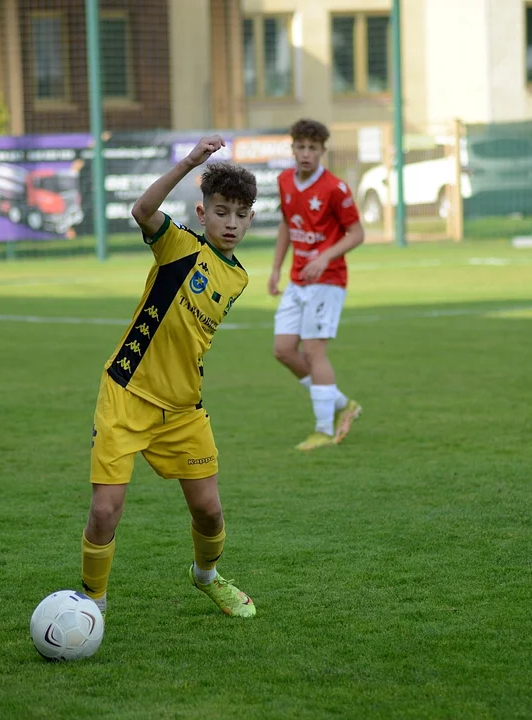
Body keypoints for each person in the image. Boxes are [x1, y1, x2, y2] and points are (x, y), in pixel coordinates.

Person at [80, 135, 257, 619]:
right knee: (104, 511)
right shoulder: (177, 245)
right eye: (221, 212)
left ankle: (207, 577)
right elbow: (142, 209)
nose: (231, 223)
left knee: (209, 511)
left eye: (241, 215)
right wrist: (189, 163)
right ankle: (92, 604)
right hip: (127, 392)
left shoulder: (239, 279)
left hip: (183, 408)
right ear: (203, 214)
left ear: (251, 220)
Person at [269, 118, 365, 451]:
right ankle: (342, 404)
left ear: (323, 151)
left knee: (312, 351)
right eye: (301, 147)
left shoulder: (335, 189)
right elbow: (286, 225)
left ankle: (324, 430)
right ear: (292, 148)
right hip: (298, 279)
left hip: (328, 279)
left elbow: (358, 234)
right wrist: (275, 269)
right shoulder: (284, 180)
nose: (306, 153)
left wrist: (325, 257)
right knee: (283, 350)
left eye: (313, 148)